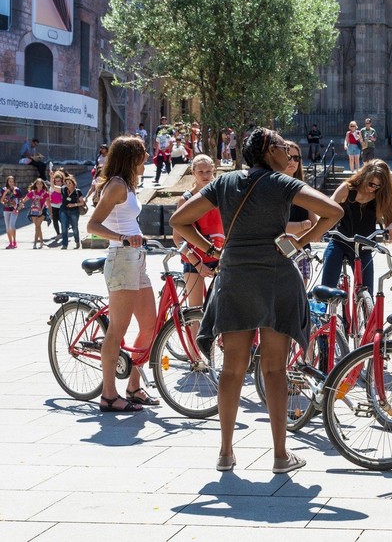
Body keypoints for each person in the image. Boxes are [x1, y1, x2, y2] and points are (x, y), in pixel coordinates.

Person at [171, 128, 343, 472]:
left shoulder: (225, 182)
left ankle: (225, 452)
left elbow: (179, 220)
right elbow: (333, 210)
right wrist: (301, 241)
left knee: (232, 368)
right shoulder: (283, 184)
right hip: (276, 276)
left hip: (234, 277)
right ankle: (280, 456)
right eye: (283, 148)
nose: (289, 156)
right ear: (268, 150)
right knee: (275, 369)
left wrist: (209, 249)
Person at [86, 136, 161, 413]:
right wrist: (123, 237)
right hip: (121, 258)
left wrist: (138, 236)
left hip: (136, 259)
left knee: (150, 325)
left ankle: (134, 385)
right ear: (131, 157)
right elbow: (93, 225)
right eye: (143, 154)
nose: (148, 158)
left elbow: (127, 219)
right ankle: (108, 395)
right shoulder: (116, 185)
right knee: (117, 330)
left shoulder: (128, 186)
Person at [321, 159, 392, 293]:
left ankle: (363, 309)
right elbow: (327, 207)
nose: (372, 188)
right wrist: (319, 229)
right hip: (340, 241)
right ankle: (324, 311)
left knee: (367, 292)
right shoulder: (347, 188)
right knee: (327, 288)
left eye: (377, 186)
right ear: (363, 176)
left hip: (365, 245)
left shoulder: (382, 195)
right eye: (371, 184)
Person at [171, 155, 224, 308]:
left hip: (219, 256)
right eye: (200, 171)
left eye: (208, 171)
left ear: (214, 171)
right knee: (195, 310)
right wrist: (196, 263)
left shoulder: (221, 196)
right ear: (193, 172)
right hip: (194, 258)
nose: (205, 175)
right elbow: (178, 238)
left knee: (222, 307)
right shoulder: (185, 199)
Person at [284, 141, 317, 285]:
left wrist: (300, 227)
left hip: (303, 248)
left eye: (296, 158)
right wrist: (303, 225)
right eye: (288, 157)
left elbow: (315, 226)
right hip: (281, 248)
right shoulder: (273, 188)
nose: (292, 162)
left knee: (301, 294)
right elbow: (275, 227)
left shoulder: (303, 189)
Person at [24, 178, 50, 249]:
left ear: (43, 184)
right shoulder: (32, 192)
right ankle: (41, 242)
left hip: (42, 211)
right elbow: (24, 200)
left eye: (40, 183)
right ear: (35, 184)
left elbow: (48, 203)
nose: (39, 185)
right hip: (34, 211)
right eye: (37, 183)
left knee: (37, 226)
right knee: (38, 227)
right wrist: (19, 205)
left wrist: (51, 213)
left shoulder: (45, 193)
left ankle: (35, 244)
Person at [60, 175, 83, 249]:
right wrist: (51, 177)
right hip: (64, 210)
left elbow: (82, 203)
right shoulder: (63, 190)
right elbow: (53, 187)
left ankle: (77, 241)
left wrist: (74, 204)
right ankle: (64, 244)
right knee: (64, 227)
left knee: (74, 227)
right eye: (66, 183)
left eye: (69, 183)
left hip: (74, 211)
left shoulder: (77, 191)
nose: (68, 185)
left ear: (73, 183)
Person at [3, 175, 22, 249]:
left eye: (12, 181)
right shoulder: (3, 189)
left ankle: (14, 241)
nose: (11, 183)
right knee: (7, 228)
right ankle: (10, 243)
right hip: (6, 210)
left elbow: (21, 200)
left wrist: (18, 209)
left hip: (14, 210)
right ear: (7, 181)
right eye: (9, 181)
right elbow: (1, 200)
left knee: (12, 225)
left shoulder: (17, 190)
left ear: (14, 182)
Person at [48, 170, 66, 243]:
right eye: (56, 181)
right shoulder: (52, 187)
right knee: (55, 220)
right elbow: (50, 196)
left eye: (59, 181)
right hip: (54, 206)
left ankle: (64, 233)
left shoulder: (64, 188)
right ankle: (58, 234)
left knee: (62, 221)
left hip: (62, 207)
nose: (57, 182)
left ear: (62, 181)